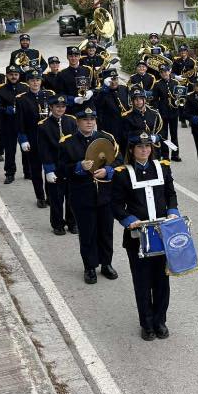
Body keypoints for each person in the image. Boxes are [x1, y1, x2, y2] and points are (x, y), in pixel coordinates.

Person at [112, 132, 180, 341]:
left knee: (162, 280)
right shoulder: (122, 173)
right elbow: (115, 204)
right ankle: (147, 323)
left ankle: (160, 321)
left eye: (148, 147)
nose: (144, 150)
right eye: (140, 147)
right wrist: (128, 219)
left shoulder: (163, 167)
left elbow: (170, 194)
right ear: (132, 151)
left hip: (162, 233)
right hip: (137, 235)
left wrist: (173, 211)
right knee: (142, 282)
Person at [57, 107, 120, 284]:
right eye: (85, 120)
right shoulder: (67, 142)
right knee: (87, 233)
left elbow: (119, 160)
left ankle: (106, 263)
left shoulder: (106, 138)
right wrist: (78, 167)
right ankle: (90, 267)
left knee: (106, 232)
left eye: (92, 119)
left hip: (105, 195)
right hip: (82, 196)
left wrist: (108, 170)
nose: (89, 122)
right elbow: (61, 169)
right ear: (78, 122)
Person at [38, 95, 77, 235]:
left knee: (72, 197)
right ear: (51, 107)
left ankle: (72, 222)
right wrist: (48, 170)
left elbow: (75, 144)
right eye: (57, 107)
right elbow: (44, 149)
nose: (60, 109)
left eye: (63, 106)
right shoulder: (43, 126)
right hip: (55, 166)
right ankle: (58, 224)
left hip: (70, 165)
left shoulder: (71, 121)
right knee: (56, 198)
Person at [16, 69, 54, 207]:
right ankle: (40, 197)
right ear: (28, 82)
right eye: (32, 80)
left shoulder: (49, 95)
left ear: (41, 81)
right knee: (36, 170)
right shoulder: (21, 99)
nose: (35, 83)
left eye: (37, 80)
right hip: (33, 138)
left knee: (50, 168)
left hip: (49, 138)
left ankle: (50, 196)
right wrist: (23, 139)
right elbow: (19, 122)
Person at [0, 63, 29, 184]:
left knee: (27, 149)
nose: (13, 77)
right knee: (10, 150)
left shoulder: (25, 87)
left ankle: (27, 172)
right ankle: (9, 173)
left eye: (16, 74)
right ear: (7, 75)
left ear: (19, 75)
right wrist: (6, 110)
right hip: (8, 124)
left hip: (23, 124)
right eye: (11, 74)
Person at [152, 65, 182, 162]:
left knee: (174, 135)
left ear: (169, 71)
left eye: (166, 71)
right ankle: (165, 155)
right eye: (162, 72)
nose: (164, 73)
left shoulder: (176, 82)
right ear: (160, 73)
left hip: (173, 111)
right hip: (163, 112)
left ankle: (175, 154)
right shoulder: (157, 84)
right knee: (164, 135)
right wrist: (157, 110)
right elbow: (155, 100)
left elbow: (181, 96)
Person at [96, 68, 130, 151]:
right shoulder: (101, 93)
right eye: (110, 80)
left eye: (115, 79)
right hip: (110, 127)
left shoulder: (123, 89)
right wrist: (105, 89)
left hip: (124, 126)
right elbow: (98, 105)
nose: (114, 82)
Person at [121, 87, 163, 153]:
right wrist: (141, 138)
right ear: (132, 101)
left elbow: (161, 130)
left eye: (141, 99)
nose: (138, 102)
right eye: (136, 100)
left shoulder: (154, 113)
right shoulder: (127, 116)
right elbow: (125, 135)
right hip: (137, 150)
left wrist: (157, 137)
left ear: (144, 100)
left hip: (153, 148)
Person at [55, 46, 95, 114]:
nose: (73, 58)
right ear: (67, 57)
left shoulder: (87, 70)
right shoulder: (62, 74)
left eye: (76, 56)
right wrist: (74, 100)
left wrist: (91, 92)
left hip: (88, 108)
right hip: (72, 109)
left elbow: (95, 86)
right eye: (71, 56)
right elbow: (60, 94)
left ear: (79, 57)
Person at [172, 44, 196, 127]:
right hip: (180, 84)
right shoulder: (176, 61)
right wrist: (176, 77)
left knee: (190, 102)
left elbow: (194, 74)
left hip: (190, 84)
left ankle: (190, 119)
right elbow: (172, 72)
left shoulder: (192, 61)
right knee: (181, 102)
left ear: (187, 52)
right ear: (179, 53)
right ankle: (182, 120)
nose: (183, 53)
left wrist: (189, 77)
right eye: (181, 51)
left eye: (184, 51)